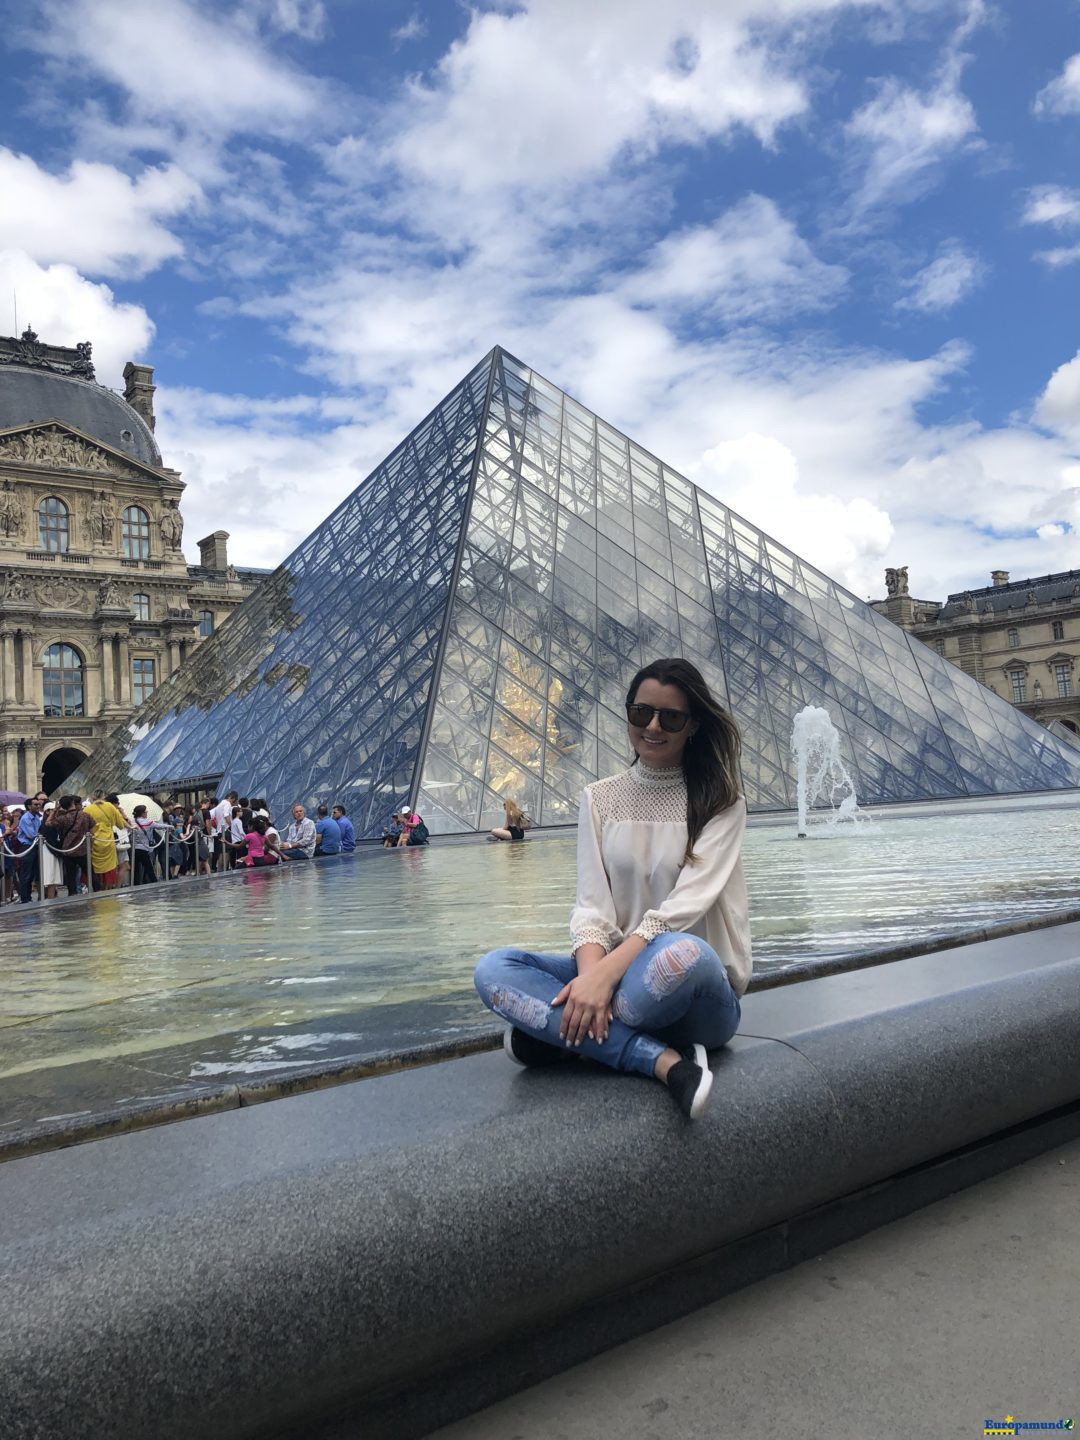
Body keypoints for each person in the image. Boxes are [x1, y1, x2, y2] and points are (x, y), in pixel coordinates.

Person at [474, 657, 750, 1122]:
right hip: (620, 973)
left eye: (671, 717)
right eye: (642, 713)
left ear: (694, 726)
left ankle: (564, 1035)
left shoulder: (723, 802)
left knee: (681, 952)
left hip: (695, 988)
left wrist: (599, 982)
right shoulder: (598, 798)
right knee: (494, 969)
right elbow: (591, 909)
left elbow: (684, 908)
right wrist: (590, 978)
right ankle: (663, 1061)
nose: (653, 726)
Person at [83, 793, 128, 890]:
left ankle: (95, 891)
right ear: (103, 797)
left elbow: (84, 827)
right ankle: (107, 891)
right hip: (108, 840)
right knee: (109, 871)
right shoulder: (110, 807)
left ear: (92, 798)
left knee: (94, 869)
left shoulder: (87, 809)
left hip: (94, 841)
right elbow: (120, 824)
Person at [52, 795, 91, 896]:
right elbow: (93, 826)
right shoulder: (85, 815)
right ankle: (97, 890)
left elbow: (48, 823)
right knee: (89, 871)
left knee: (71, 874)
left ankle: (72, 894)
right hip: (82, 848)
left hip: (68, 849)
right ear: (73, 803)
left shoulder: (62, 818)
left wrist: (55, 810)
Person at [16, 795, 44, 903]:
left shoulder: (36, 817)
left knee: (32, 873)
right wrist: (39, 835)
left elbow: (38, 832)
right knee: (26, 874)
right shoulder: (25, 818)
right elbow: (31, 834)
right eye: (35, 804)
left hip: (35, 846)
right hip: (27, 847)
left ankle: (29, 897)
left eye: (38, 804)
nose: (38, 806)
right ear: (29, 806)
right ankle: (25, 898)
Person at [130, 805, 162, 885]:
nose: (147, 812)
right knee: (148, 867)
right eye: (145, 811)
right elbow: (159, 826)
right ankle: (154, 881)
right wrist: (171, 827)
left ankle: (135, 883)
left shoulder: (131, 821)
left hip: (134, 848)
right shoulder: (148, 822)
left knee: (135, 868)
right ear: (142, 813)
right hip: (144, 848)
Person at [210, 791, 238, 872]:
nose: (234, 803)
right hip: (225, 829)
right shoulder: (227, 804)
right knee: (226, 851)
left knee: (221, 852)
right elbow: (226, 815)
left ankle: (220, 870)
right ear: (232, 798)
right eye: (234, 800)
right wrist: (231, 825)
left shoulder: (220, 804)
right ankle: (225, 869)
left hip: (219, 830)